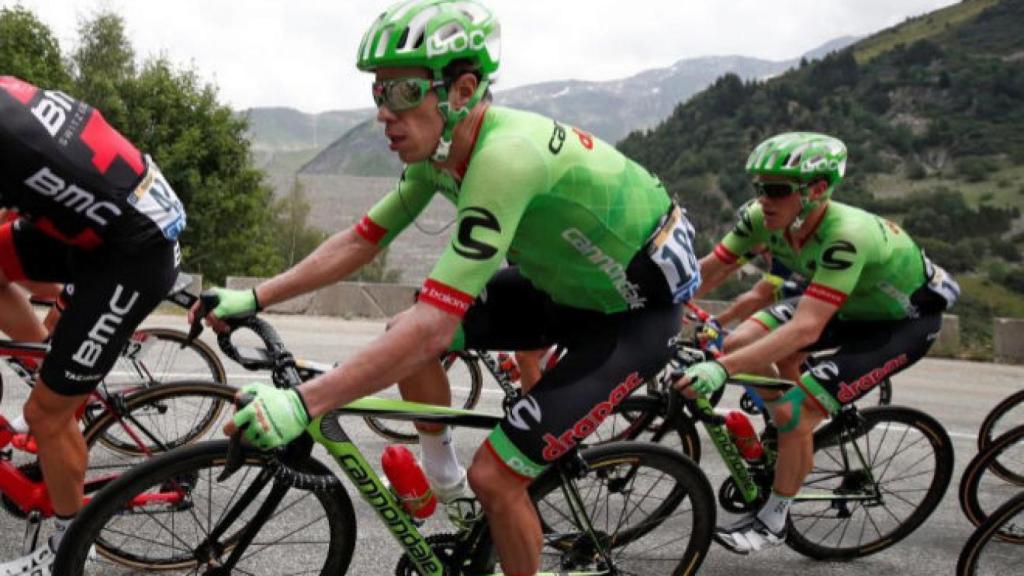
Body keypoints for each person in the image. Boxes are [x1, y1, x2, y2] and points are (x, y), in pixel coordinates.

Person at [195, 1, 701, 572]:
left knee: (497, 476)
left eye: (404, 92)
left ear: (462, 91)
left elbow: (435, 325)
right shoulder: (439, 156)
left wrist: (304, 402)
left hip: (629, 317)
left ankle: (484, 496)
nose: (385, 112)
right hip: (561, 289)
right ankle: (447, 485)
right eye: (379, 93)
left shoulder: (506, 157)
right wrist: (257, 296)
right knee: (404, 332)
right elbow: (362, 241)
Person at [675, 131, 959, 554]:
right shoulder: (761, 219)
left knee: (794, 409)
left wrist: (719, 371)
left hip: (900, 324)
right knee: (737, 344)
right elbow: (710, 271)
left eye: (775, 190)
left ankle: (773, 520)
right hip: (846, 307)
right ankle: (787, 432)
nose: (763, 199)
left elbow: (807, 328)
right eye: (759, 188)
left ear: (817, 190)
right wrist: (651, 305)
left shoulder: (846, 233)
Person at [0, 76, 185, 574]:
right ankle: (54, 374)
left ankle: (68, 549)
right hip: (99, 223)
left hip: (132, 250)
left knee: (47, 415)